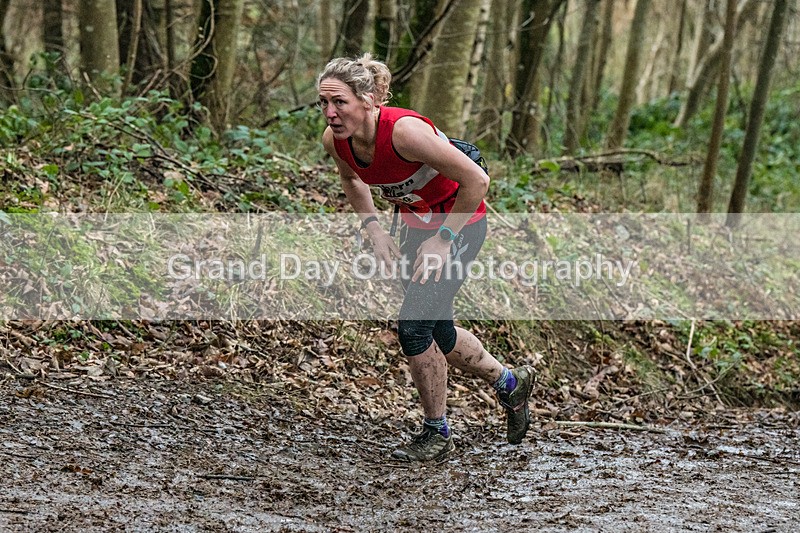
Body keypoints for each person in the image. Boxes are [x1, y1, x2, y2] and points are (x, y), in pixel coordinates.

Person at [317, 53, 534, 462]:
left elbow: (477, 180)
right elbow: (350, 177)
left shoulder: (405, 133)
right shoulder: (336, 139)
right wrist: (374, 228)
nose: (330, 113)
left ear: (367, 100)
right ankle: (510, 382)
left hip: (459, 225)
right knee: (439, 332)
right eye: (324, 103)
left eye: (339, 102)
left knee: (414, 328)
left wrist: (444, 239)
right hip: (416, 228)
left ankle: (437, 433)